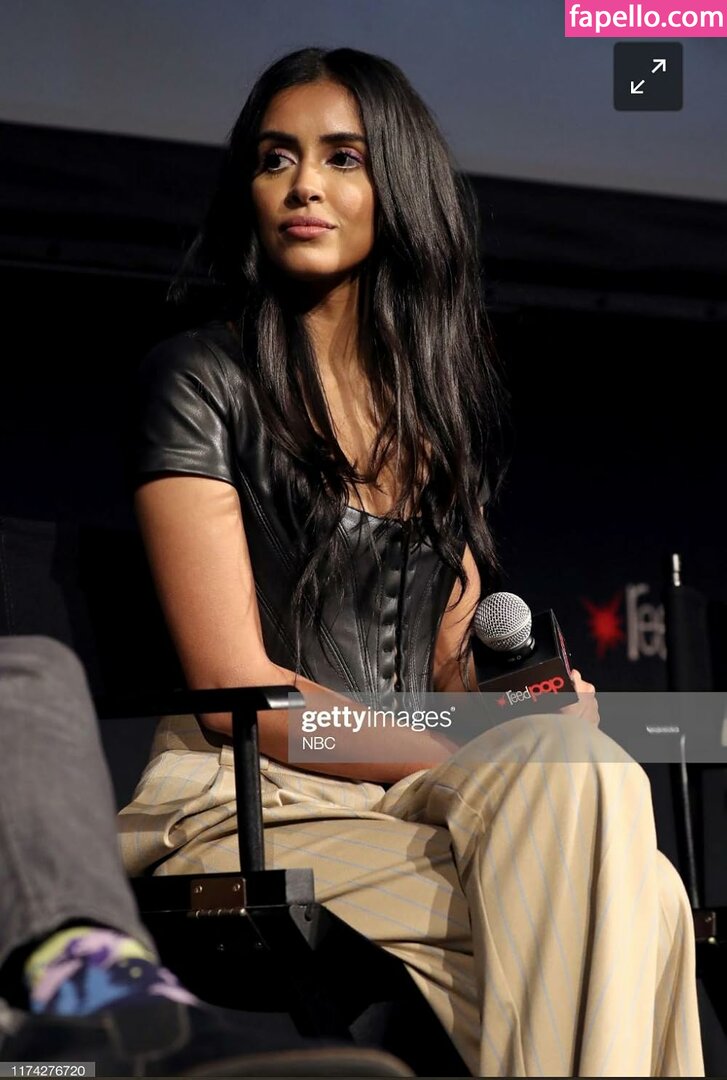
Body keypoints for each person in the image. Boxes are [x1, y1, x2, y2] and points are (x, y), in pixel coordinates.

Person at [116, 46, 704, 1077]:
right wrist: (467, 746)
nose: (303, 184)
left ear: (398, 186)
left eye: (341, 157)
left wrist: (519, 709)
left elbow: (445, 679)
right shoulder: (200, 378)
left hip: (401, 801)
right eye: (275, 158)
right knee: (629, 907)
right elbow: (237, 694)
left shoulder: (430, 420)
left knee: (593, 797)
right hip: (249, 802)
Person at [0, 635, 410, 1076]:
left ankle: (114, 1007)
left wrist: (460, 735)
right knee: (32, 673)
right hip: (255, 787)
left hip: (398, 789)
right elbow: (232, 679)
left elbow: (442, 705)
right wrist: (445, 747)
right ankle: (101, 994)